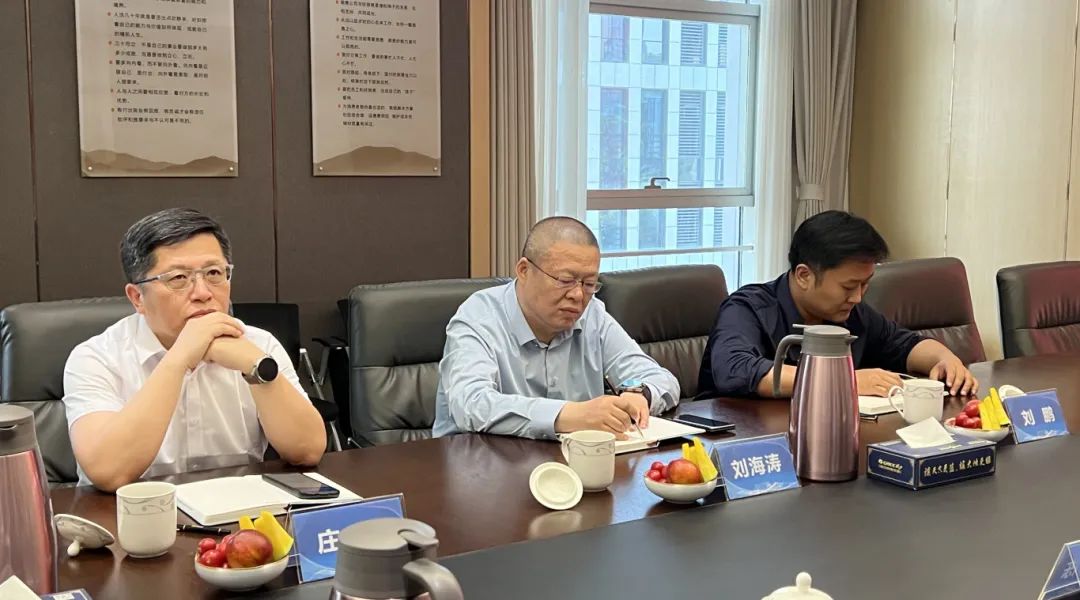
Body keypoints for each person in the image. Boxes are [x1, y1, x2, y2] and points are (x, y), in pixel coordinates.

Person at [63, 208, 325, 491]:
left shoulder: (258, 345)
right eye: (178, 278)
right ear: (137, 297)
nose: (203, 293)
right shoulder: (96, 358)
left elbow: (307, 450)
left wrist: (257, 367)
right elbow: (109, 471)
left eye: (214, 273)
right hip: (133, 513)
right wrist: (179, 359)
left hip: (235, 509)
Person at [433, 216, 680, 440]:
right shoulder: (479, 317)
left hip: (573, 464)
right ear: (524, 271)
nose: (577, 295)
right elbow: (471, 404)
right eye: (565, 280)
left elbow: (662, 379)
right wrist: (570, 415)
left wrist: (639, 395)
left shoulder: (592, 314)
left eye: (589, 284)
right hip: (483, 464)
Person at [699, 210, 978, 399]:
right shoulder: (747, 308)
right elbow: (736, 370)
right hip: (742, 445)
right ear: (804, 276)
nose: (857, 297)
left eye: (865, 284)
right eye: (848, 286)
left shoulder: (850, 313)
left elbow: (902, 344)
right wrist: (845, 381)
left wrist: (945, 359)